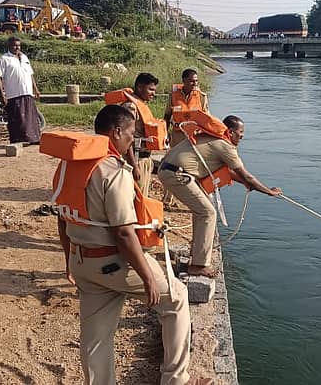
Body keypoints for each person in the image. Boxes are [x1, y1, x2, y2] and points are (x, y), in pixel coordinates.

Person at [51, 105, 211, 385]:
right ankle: (176, 379)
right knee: (176, 299)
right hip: (114, 262)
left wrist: (69, 262)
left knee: (95, 339)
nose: (132, 140)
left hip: (83, 262)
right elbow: (124, 234)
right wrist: (148, 278)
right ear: (116, 132)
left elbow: (63, 219)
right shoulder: (113, 171)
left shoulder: (68, 166)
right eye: (129, 134)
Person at [159, 115, 281, 277]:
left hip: (169, 170)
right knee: (208, 212)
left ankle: (196, 256)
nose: (242, 136)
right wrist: (269, 191)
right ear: (230, 132)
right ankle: (198, 265)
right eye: (240, 133)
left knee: (202, 211)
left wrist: (246, 183)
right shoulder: (225, 145)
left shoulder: (212, 138)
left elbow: (231, 173)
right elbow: (246, 176)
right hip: (177, 175)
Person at [104, 73, 161, 196]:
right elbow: (127, 137)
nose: (153, 93)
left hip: (145, 158)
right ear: (139, 87)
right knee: (136, 196)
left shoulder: (141, 104)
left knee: (142, 195)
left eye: (154, 90)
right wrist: (134, 165)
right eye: (150, 89)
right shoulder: (131, 107)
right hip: (136, 158)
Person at [0, 36, 42, 145]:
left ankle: (33, 139)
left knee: (30, 118)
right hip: (13, 94)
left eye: (18, 45)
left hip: (27, 92)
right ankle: (17, 140)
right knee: (17, 119)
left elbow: (31, 75)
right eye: (14, 45)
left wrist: (36, 89)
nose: (17, 48)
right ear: (9, 46)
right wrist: (2, 95)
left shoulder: (24, 57)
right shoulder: (3, 59)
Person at [164, 68, 209, 148]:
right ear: (184, 81)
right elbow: (167, 116)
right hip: (178, 136)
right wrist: (165, 134)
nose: (195, 83)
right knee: (176, 158)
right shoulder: (173, 95)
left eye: (196, 81)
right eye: (192, 81)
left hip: (195, 136)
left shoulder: (201, 96)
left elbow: (206, 118)